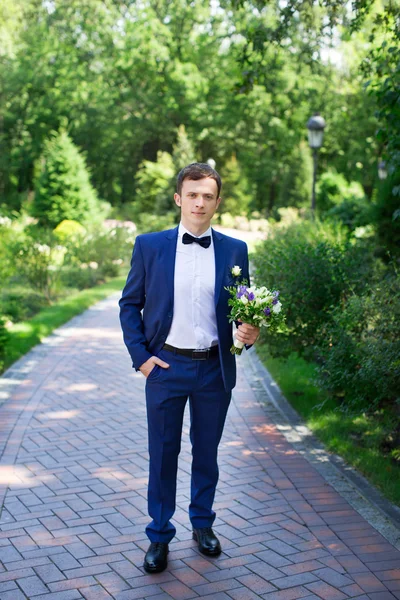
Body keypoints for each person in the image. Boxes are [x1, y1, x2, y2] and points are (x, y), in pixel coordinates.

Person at [119, 162, 260, 574]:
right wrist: (142, 358)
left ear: (218, 202)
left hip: (214, 369)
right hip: (165, 367)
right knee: (162, 454)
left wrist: (248, 332)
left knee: (207, 453)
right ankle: (159, 536)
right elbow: (130, 304)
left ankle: (202, 525)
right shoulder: (149, 245)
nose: (200, 202)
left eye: (208, 196)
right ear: (179, 198)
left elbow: (241, 310)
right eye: (192, 194)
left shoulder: (235, 250)